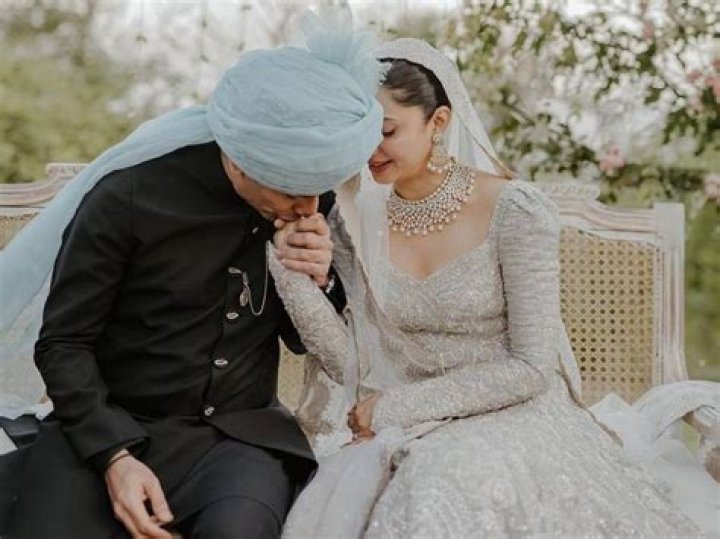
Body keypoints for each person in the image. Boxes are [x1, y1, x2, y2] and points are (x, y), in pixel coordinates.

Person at [268, 38, 703, 537]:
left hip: (515, 412)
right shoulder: (353, 217)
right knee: (412, 477)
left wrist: (399, 407)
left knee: (448, 478)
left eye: (386, 131)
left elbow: (532, 366)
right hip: (408, 424)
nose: (370, 149)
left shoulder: (515, 210)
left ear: (438, 122)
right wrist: (287, 266)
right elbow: (347, 359)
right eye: (359, 132)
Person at [0, 12, 384, 539]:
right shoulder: (126, 198)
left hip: (240, 442)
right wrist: (115, 457)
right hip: (110, 427)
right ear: (240, 161)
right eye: (292, 191)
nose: (309, 206)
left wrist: (318, 280)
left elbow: (306, 341)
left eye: (320, 191)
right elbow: (63, 344)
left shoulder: (306, 197)